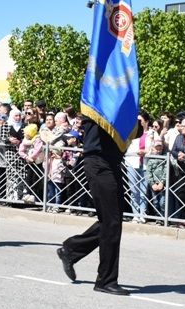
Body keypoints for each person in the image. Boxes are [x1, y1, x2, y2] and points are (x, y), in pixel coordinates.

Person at [57, 117, 140, 296]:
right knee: (111, 222)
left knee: (111, 221)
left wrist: (133, 114)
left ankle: (71, 249)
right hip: (99, 163)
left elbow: (137, 131)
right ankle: (105, 280)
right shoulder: (98, 108)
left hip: (113, 163)